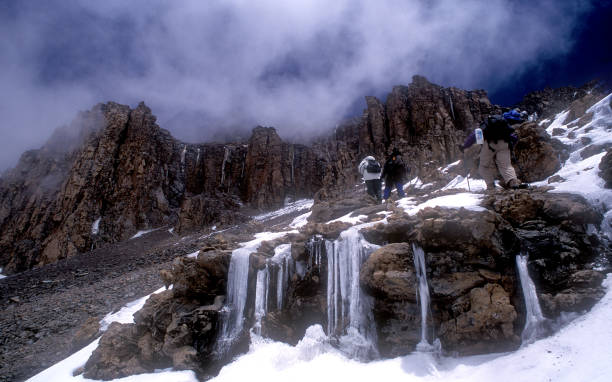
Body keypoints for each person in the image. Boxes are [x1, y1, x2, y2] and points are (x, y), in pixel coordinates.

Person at [460, 114, 526, 191]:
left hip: (490, 145)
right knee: (506, 165)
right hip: (505, 144)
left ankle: (491, 186)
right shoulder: (502, 125)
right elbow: (513, 136)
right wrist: (511, 145)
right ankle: (513, 182)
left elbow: (473, 136)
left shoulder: (484, 126)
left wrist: (464, 146)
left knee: (483, 166)